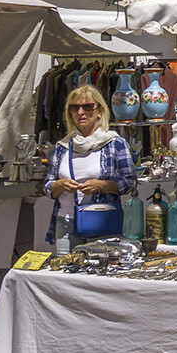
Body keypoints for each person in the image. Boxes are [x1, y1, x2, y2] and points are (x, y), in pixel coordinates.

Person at [42, 84, 136, 245]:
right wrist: (60, 185)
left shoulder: (114, 143)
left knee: (101, 268)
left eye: (87, 107)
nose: (81, 112)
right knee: (64, 269)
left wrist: (101, 185)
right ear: (69, 113)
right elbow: (48, 186)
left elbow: (131, 183)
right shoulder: (62, 146)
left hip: (102, 221)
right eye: (75, 108)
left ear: (99, 111)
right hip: (65, 221)